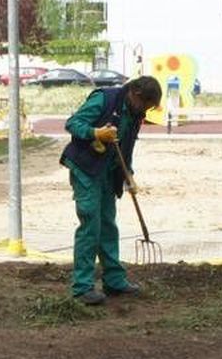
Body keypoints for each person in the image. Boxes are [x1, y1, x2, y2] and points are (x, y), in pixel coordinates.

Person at [59, 75, 164, 305]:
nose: (145, 109)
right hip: (86, 168)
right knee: (91, 224)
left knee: (108, 223)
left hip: (109, 171)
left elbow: (127, 145)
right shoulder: (104, 99)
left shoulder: (136, 113)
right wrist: (95, 133)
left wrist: (129, 174)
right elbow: (73, 123)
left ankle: (114, 280)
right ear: (134, 94)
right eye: (144, 104)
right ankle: (82, 287)